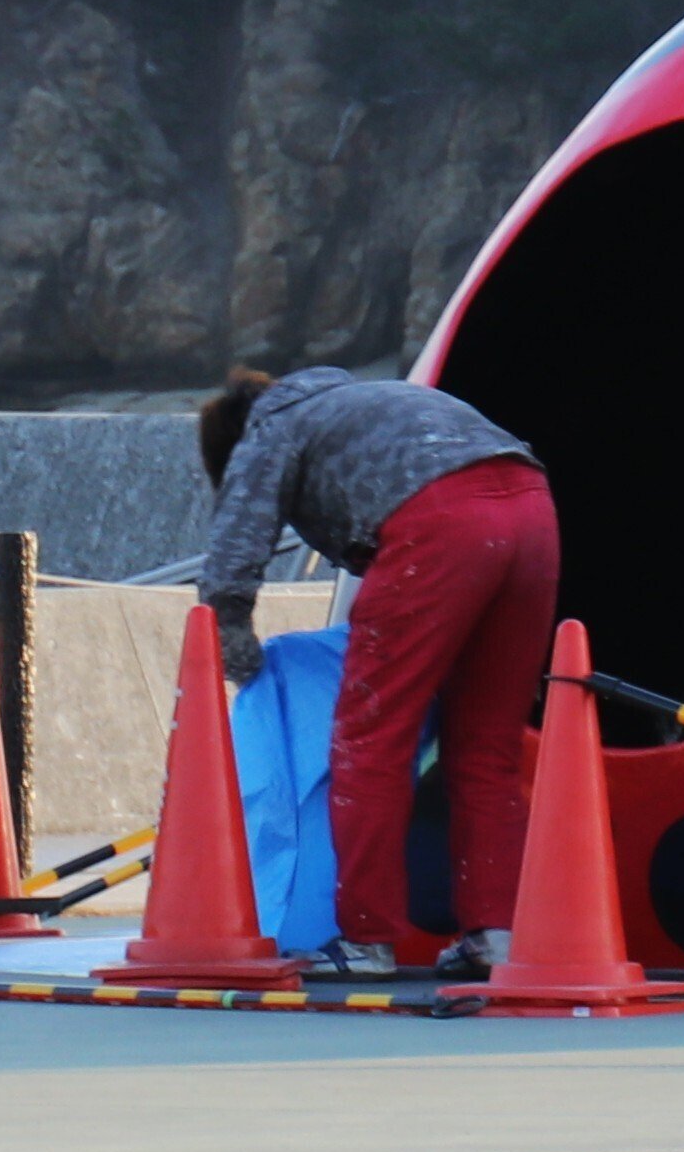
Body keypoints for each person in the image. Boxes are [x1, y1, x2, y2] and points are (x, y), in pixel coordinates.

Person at [197, 367, 560, 983]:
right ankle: (497, 936)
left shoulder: (269, 427)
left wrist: (234, 650)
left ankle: (366, 939)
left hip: (439, 525)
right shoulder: (362, 398)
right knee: (488, 748)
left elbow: (234, 552)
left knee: (371, 740)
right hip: (534, 511)